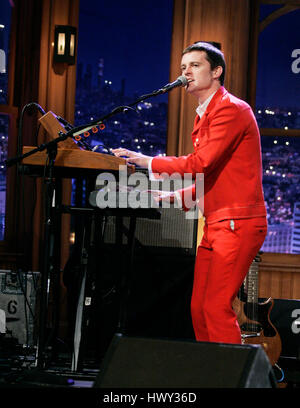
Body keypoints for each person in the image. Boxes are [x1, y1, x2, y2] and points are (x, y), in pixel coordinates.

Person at [112, 41, 267, 344]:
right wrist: (161, 197)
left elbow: (201, 163)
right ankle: (209, 371)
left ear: (217, 71)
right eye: (183, 68)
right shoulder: (206, 114)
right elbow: (211, 179)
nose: (186, 73)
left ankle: (229, 377)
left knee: (215, 306)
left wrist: (147, 161)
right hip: (218, 224)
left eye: (195, 65)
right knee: (198, 307)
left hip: (237, 223)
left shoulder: (231, 110)